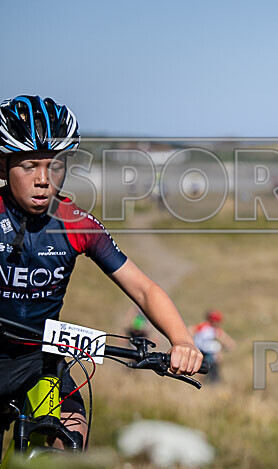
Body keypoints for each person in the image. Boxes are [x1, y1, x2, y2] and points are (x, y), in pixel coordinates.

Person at [0, 95, 204, 450]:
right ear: (3, 167)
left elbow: (143, 289)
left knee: (70, 441)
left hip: (40, 363)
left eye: (55, 165)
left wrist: (183, 340)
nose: (43, 179)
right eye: (29, 165)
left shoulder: (76, 224)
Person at [191, 310, 235, 383]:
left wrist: (229, 344)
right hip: (200, 350)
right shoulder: (203, 326)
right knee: (201, 367)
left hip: (206, 351)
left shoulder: (213, 329)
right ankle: (204, 381)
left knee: (215, 357)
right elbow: (191, 330)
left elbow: (225, 338)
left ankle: (211, 379)